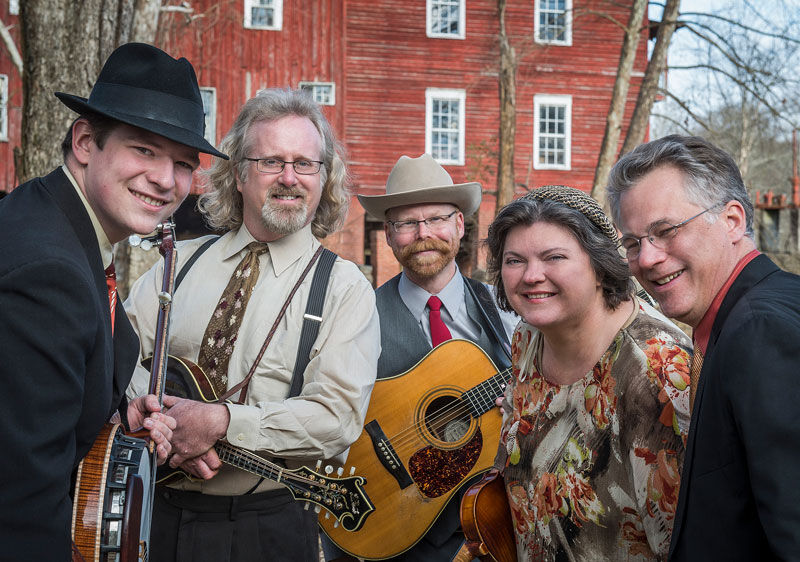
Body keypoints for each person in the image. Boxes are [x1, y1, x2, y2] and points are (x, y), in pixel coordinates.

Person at [124, 88, 380, 562]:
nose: (289, 178)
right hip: (153, 515)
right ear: (239, 173)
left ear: (324, 178)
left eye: (305, 164)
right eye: (270, 162)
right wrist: (148, 415)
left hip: (268, 528)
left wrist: (221, 423)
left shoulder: (345, 289)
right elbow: (115, 357)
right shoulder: (174, 263)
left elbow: (337, 418)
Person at [0, 42, 223, 561]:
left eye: (183, 163)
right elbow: (21, 507)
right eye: (144, 150)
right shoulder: (48, 273)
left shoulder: (57, 222)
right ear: (84, 141)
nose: (166, 181)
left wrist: (116, 415)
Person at [606, 135, 800, 560]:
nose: (648, 258)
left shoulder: (760, 332)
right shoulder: (742, 317)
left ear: (732, 220)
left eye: (666, 230)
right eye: (634, 242)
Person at [324, 153, 517, 561]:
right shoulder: (355, 317)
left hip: (489, 525)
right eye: (407, 223)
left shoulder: (505, 312)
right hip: (396, 528)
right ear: (389, 235)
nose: (423, 233)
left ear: (460, 225)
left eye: (436, 219)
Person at [485, 185, 692, 560]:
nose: (531, 275)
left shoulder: (656, 370)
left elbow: (683, 540)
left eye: (554, 257)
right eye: (514, 260)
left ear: (600, 266)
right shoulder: (527, 338)